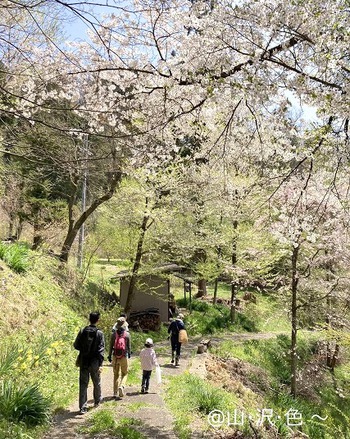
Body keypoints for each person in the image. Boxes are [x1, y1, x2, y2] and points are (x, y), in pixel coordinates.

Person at [74, 311, 104, 414]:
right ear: (98, 320)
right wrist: (100, 364)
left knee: (83, 384)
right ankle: (97, 401)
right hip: (95, 362)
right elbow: (101, 350)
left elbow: (76, 345)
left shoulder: (82, 331)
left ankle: (83, 407)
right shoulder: (99, 333)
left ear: (89, 319)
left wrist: (84, 349)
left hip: (84, 361)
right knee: (97, 382)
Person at [108, 317, 131, 398]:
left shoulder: (113, 334)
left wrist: (109, 356)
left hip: (115, 357)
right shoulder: (127, 335)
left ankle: (115, 392)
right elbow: (129, 347)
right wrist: (129, 355)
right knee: (125, 373)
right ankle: (121, 386)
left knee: (115, 375)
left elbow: (111, 346)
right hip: (124, 356)